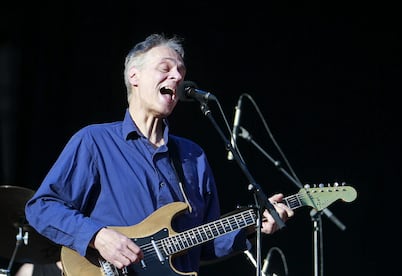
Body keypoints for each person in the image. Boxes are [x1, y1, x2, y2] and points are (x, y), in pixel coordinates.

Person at [24, 33, 294, 275]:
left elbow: (205, 244)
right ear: (134, 76)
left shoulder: (193, 156)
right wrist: (98, 236)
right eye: (165, 68)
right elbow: (42, 207)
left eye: (181, 71)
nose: (177, 77)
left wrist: (252, 226)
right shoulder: (95, 141)